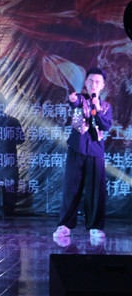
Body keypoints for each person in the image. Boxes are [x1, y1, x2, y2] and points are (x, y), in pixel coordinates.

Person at [53, 67, 112, 239]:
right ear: (85, 82)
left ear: (103, 85)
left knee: (95, 191)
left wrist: (97, 108)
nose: (94, 84)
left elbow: (105, 125)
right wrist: (72, 99)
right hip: (76, 148)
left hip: (95, 151)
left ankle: (95, 227)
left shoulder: (106, 107)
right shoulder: (80, 99)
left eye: (98, 82)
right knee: (71, 188)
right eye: (91, 81)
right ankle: (64, 226)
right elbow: (74, 102)